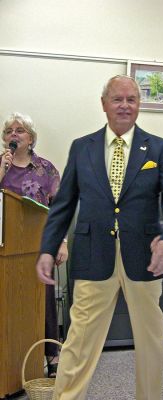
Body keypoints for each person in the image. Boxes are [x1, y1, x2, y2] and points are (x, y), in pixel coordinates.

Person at [36, 75, 163, 400]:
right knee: (78, 341)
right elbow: (63, 203)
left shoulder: (157, 148)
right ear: (104, 104)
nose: (125, 105)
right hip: (93, 255)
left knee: (150, 340)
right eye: (117, 99)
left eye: (131, 99)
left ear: (139, 105)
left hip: (145, 257)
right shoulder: (82, 147)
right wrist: (48, 247)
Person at [0, 112, 68, 377]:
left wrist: (62, 242)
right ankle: (9, 358)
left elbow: (60, 208)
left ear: (31, 138)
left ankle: (51, 355)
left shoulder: (45, 169)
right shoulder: (1, 164)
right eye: (9, 131)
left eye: (20, 130)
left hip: (40, 246)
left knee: (44, 300)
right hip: (5, 250)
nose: (13, 135)